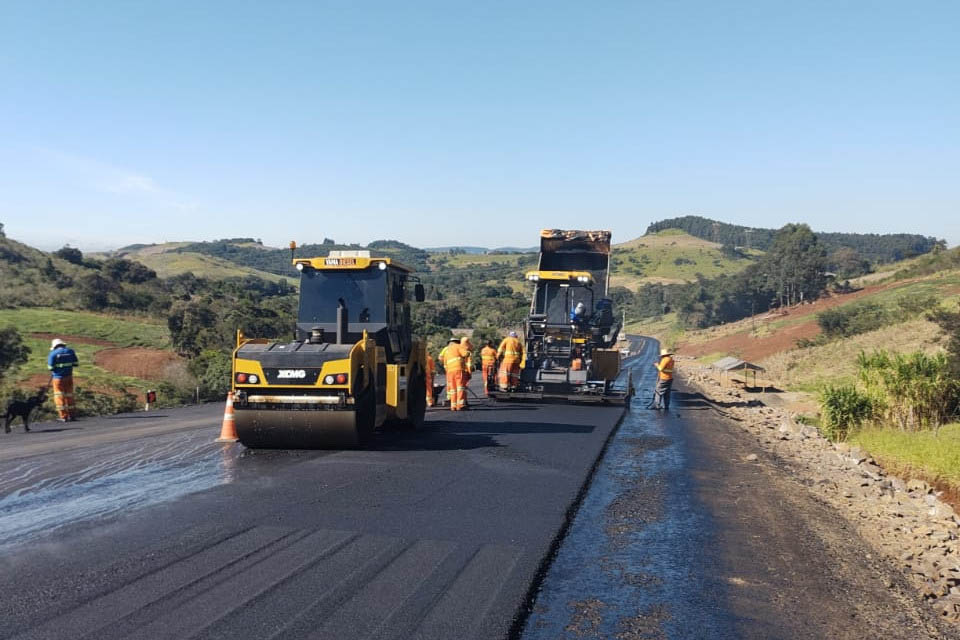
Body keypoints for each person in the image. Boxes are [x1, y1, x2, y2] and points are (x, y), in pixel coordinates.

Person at [47, 338, 79, 422]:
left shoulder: (53, 354)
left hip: (58, 378)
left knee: (59, 396)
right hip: (69, 377)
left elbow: (50, 367)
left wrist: (57, 367)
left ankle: (63, 416)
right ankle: (72, 415)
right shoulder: (71, 351)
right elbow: (76, 364)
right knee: (70, 395)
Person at [439, 337, 468, 411]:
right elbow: (465, 354)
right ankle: (460, 405)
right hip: (458, 369)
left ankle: (453, 406)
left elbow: (444, 362)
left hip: (450, 371)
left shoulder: (447, 350)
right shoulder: (458, 346)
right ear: (457, 342)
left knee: (453, 389)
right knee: (460, 387)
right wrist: (468, 352)